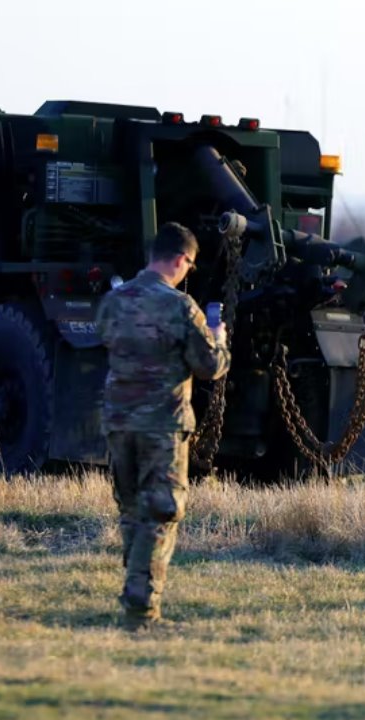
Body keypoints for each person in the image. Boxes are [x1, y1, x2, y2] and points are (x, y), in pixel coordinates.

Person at [95, 221, 230, 630]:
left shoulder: (114, 301)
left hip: (119, 422)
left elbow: (104, 338)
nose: (188, 272)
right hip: (162, 426)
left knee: (132, 511)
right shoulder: (179, 307)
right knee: (161, 512)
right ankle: (141, 607)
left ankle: (134, 595)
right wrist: (219, 337)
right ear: (179, 259)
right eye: (189, 265)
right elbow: (210, 367)